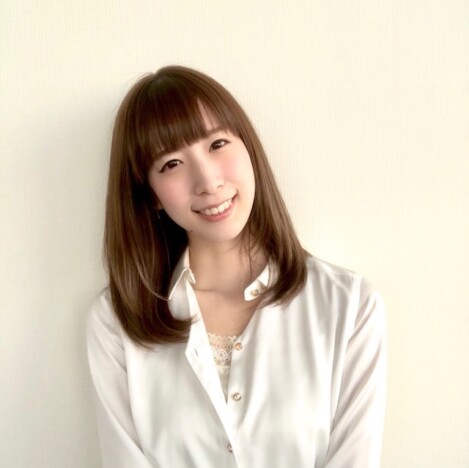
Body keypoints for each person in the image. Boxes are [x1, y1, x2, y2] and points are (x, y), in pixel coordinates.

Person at [86, 65, 386, 468]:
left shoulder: (348, 306)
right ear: (151, 194)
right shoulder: (116, 322)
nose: (208, 181)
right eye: (171, 164)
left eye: (218, 143)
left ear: (249, 148)